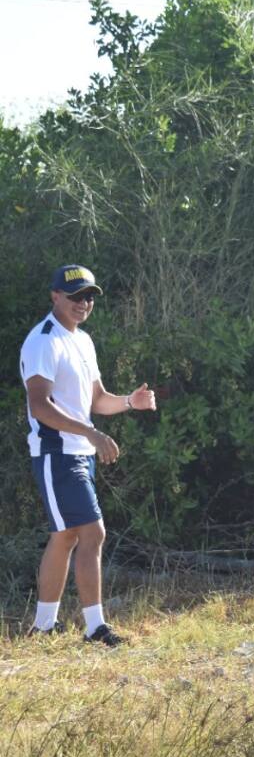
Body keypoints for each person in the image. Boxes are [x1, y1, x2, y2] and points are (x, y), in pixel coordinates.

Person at [19, 264, 157, 646]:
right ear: (56, 296)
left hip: (79, 451)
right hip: (56, 451)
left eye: (90, 296)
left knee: (65, 537)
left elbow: (96, 400)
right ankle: (96, 628)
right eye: (76, 296)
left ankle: (43, 626)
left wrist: (131, 401)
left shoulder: (83, 340)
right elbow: (40, 406)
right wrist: (92, 434)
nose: (84, 303)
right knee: (93, 533)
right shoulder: (43, 340)